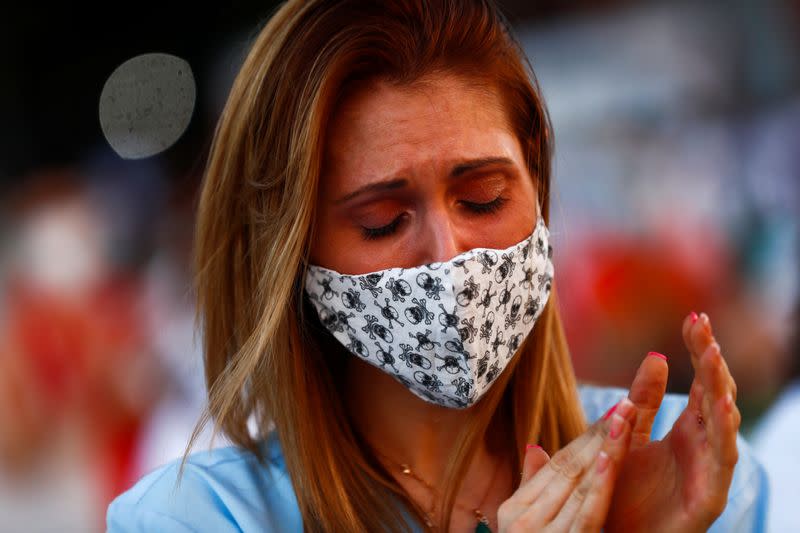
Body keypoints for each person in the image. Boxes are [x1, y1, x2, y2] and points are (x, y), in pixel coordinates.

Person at [107, 0, 767, 531]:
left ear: (536, 178)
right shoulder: (195, 517)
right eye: (383, 221)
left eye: (484, 198)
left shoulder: (689, 470)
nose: (449, 255)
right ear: (294, 251)